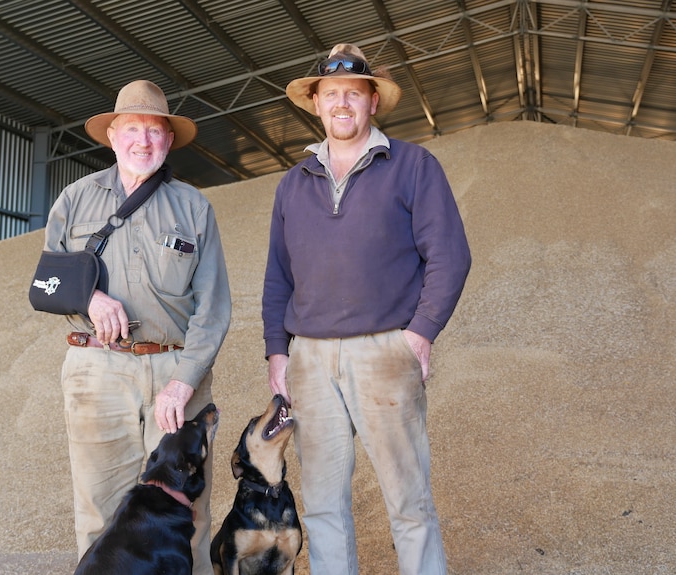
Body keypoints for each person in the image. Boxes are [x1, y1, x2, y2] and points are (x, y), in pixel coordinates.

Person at [262, 44, 471, 575]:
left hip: (385, 351)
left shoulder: (412, 166)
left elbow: (450, 255)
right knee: (324, 505)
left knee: (408, 501)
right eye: (331, 94)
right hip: (308, 358)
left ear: (372, 101)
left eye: (353, 94)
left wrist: (420, 333)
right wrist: (277, 352)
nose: (341, 104)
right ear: (316, 103)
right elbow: (277, 276)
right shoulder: (293, 183)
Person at [43, 79, 231, 574]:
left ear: (169, 140)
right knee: (100, 514)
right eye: (132, 128)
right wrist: (90, 296)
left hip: (175, 372)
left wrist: (183, 382)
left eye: (155, 130)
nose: (143, 140)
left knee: (186, 514)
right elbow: (46, 281)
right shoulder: (75, 200)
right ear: (112, 135)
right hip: (95, 371)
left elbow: (213, 309)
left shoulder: (194, 208)